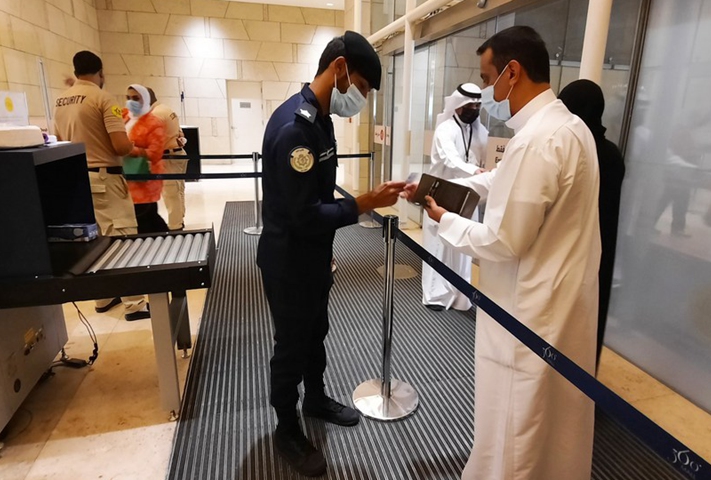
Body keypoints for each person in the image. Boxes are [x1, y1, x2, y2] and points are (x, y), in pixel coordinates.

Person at [410, 26, 600, 479]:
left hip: (529, 313)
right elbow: (500, 183)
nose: (488, 91)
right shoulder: (567, 128)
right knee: (553, 423)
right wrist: (442, 190)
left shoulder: (537, 140)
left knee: (519, 425)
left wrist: (443, 219)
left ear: (512, 73)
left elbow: (502, 240)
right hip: (561, 305)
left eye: (488, 76)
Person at [257, 30, 406, 477]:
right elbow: (303, 215)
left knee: (315, 331)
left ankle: (316, 399)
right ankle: (286, 425)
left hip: (314, 257)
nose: (359, 98)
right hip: (288, 261)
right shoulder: (295, 128)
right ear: (339, 69)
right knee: (291, 345)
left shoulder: (320, 119)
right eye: (360, 87)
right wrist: (361, 204)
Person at [53, 51, 149, 321]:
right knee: (124, 239)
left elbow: (60, 139)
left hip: (79, 179)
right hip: (105, 178)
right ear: (101, 72)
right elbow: (120, 145)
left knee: (95, 240)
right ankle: (134, 304)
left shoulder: (61, 100)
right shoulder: (102, 98)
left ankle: (103, 297)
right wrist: (136, 148)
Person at [558, 79, 625, 367]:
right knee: (591, 317)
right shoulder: (611, 152)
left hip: (573, 246)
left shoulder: (579, 150)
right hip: (602, 247)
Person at [422, 83, 489, 311]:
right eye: (470, 105)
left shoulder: (481, 132)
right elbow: (450, 160)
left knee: (463, 246)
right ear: (458, 106)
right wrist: (475, 172)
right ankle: (436, 295)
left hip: (469, 194)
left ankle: (461, 295)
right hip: (442, 194)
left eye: (478, 105)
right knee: (438, 245)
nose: (474, 109)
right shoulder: (445, 130)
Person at [122, 84, 168, 234]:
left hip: (144, 178)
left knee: (145, 216)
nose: (131, 102)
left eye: (136, 98)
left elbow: (155, 154)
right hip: (125, 177)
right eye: (128, 98)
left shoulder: (153, 123)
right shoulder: (123, 116)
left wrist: (130, 149)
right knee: (144, 216)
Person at [148, 88, 188, 231]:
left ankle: (175, 226)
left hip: (168, 156)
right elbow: (180, 132)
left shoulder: (155, 114)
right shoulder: (166, 109)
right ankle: (180, 219)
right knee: (178, 189)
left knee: (171, 193)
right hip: (177, 153)